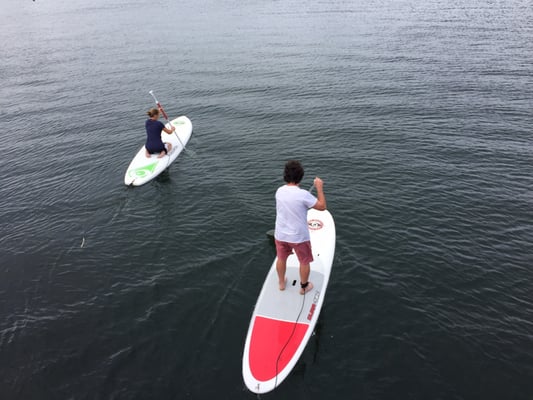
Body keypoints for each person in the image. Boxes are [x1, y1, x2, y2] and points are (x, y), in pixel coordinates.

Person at [274, 160, 327, 295]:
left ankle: (281, 283)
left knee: (281, 258)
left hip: (280, 235)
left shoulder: (279, 191)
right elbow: (322, 207)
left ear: (285, 176)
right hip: (298, 237)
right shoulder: (303, 194)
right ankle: (304, 287)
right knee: (304, 261)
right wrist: (319, 187)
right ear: (300, 177)